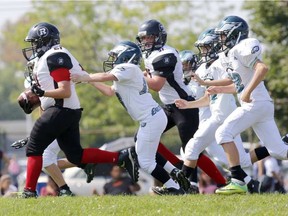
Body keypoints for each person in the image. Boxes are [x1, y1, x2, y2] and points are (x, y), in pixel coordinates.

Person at [20, 22, 139, 198]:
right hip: (67, 111)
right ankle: (121, 157)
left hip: (60, 109)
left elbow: (65, 91)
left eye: (35, 42)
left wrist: (42, 92)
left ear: (45, 41)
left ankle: (29, 191)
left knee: (34, 149)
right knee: (76, 155)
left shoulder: (55, 56)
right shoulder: (59, 54)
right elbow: (84, 77)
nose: (33, 47)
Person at [71, 41, 188, 195]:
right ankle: (177, 174)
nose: (113, 60)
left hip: (151, 118)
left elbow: (106, 76)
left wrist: (85, 76)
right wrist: (88, 80)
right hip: (153, 116)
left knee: (145, 162)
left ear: (126, 55)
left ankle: (174, 187)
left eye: (115, 56)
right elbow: (109, 91)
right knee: (147, 154)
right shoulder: (129, 72)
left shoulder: (129, 68)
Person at [136, 19, 227, 192]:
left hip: (184, 106)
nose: (146, 41)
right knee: (141, 139)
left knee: (192, 150)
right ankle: (177, 168)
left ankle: (221, 182)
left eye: (150, 37)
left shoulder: (166, 54)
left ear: (159, 37)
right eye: (144, 38)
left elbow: (156, 85)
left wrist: (136, 76)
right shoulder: (149, 54)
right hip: (167, 106)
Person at [204, 15, 288, 194]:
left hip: (255, 104)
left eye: (224, 35)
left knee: (223, 133)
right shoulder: (230, 54)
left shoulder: (244, 46)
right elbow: (236, 82)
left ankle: (238, 181)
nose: (221, 40)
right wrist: (215, 88)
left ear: (235, 34)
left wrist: (248, 92)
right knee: (280, 152)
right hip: (261, 105)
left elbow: (262, 68)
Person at [176, 29, 253, 192]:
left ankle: (182, 188)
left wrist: (208, 85)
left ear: (214, 47)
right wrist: (188, 104)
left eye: (206, 48)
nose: (203, 52)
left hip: (222, 115)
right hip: (218, 115)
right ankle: (250, 184)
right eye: (202, 48)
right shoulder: (204, 68)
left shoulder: (222, 64)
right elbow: (208, 97)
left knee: (191, 148)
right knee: (238, 161)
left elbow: (234, 84)